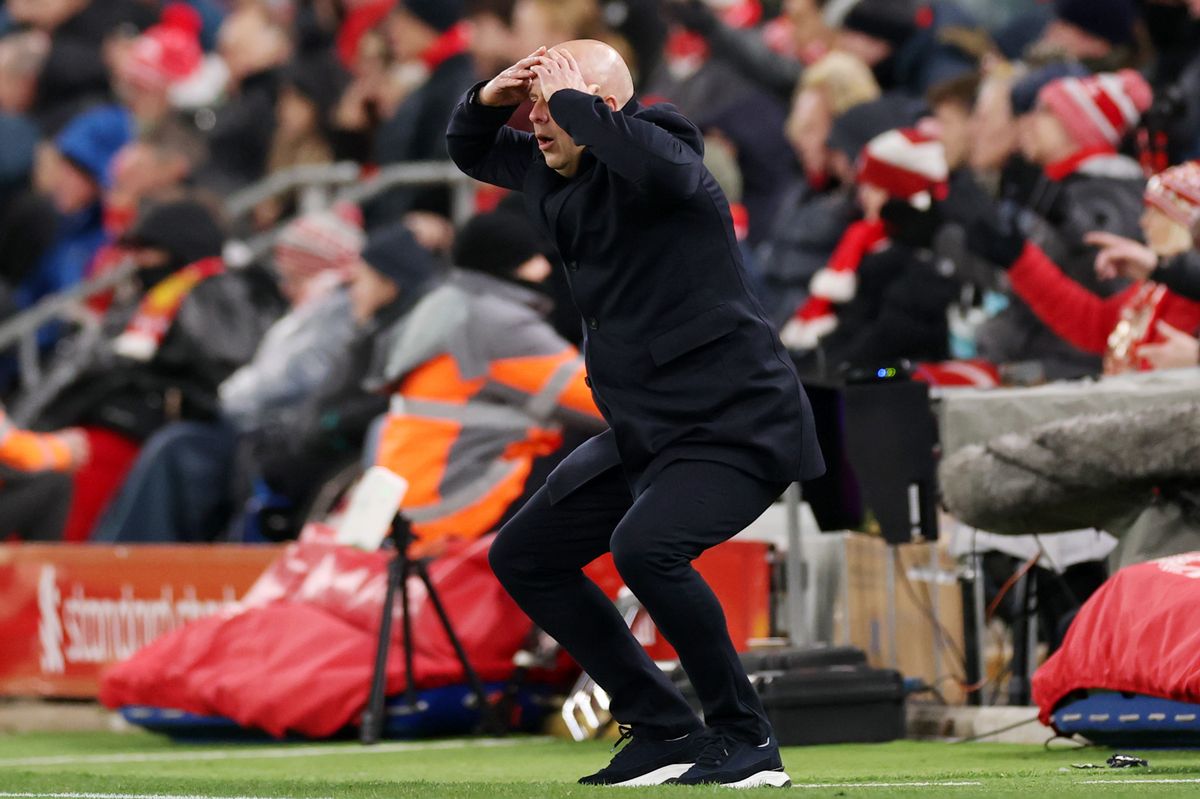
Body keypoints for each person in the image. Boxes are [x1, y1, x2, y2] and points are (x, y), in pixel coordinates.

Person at [448, 40, 823, 787]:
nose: (538, 120)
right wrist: (495, 93)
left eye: (553, 106)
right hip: (650, 430)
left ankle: (745, 738)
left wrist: (574, 102)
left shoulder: (668, 152)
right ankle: (661, 725)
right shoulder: (556, 167)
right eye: (536, 107)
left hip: (736, 423)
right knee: (525, 554)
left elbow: (661, 163)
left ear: (604, 110)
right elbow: (471, 149)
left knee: (646, 548)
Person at [93, 208, 365, 542]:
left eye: (292, 277)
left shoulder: (334, 313)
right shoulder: (311, 311)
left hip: (282, 437)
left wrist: (225, 397)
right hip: (265, 431)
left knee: (180, 448)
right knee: (176, 442)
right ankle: (123, 552)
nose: (284, 287)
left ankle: (130, 559)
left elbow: (290, 381)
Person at [371, 209, 604, 554]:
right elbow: (600, 402)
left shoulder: (443, 305)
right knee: (611, 447)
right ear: (508, 264)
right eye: (534, 257)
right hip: (463, 508)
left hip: (412, 506)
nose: (545, 267)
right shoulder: (498, 324)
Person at [968, 160, 1200, 374]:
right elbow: (1094, 324)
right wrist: (1020, 260)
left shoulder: (1188, 298)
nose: (1143, 222)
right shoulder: (1154, 290)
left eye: (1156, 214)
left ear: (1182, 225)